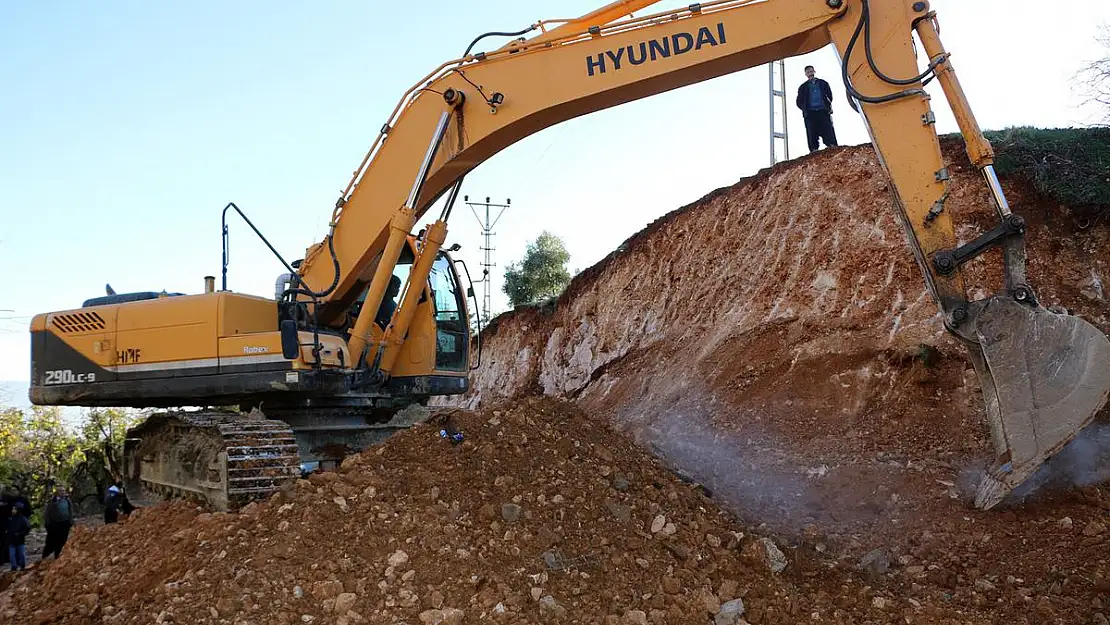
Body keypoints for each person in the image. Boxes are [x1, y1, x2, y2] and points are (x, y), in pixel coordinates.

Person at [796, 65, 838, 153]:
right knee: (812, 132)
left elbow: (829, 95)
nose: (810, 73)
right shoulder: (803, 87)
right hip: (810, 113)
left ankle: (832, 145)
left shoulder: (823, 83)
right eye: (808, 72)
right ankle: (814, 150)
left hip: (823, 110)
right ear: (806, 74)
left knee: (827, 129)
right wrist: (805, 108)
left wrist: (827, 105)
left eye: (811, 71)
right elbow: (798, 101)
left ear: (814, 71)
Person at [42, 487, 75, 559]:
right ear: (57, 493)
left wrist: (71, 521)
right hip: (54, 524)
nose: (62, 493)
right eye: (60, 491)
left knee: (63, 540)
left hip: (65, 523)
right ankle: (45, 555)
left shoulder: (67, 500)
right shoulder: (53, 501)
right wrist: (48, 524)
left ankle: (58, 555)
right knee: (52, 540)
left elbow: (70, 511)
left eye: (63, 491)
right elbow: (46, 513)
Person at [5, 503, 30, 571]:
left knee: (21, 554)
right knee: (11, 555)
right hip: (11, 540)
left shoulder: (23, 519)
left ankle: (22, 566)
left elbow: (27, 529)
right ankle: (14, 567)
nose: (12, 510)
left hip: (20, 540)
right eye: (12, 509)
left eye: (14, 509)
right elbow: (7, 528)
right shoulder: (10, 518)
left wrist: (20, 534)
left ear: (18, 510)